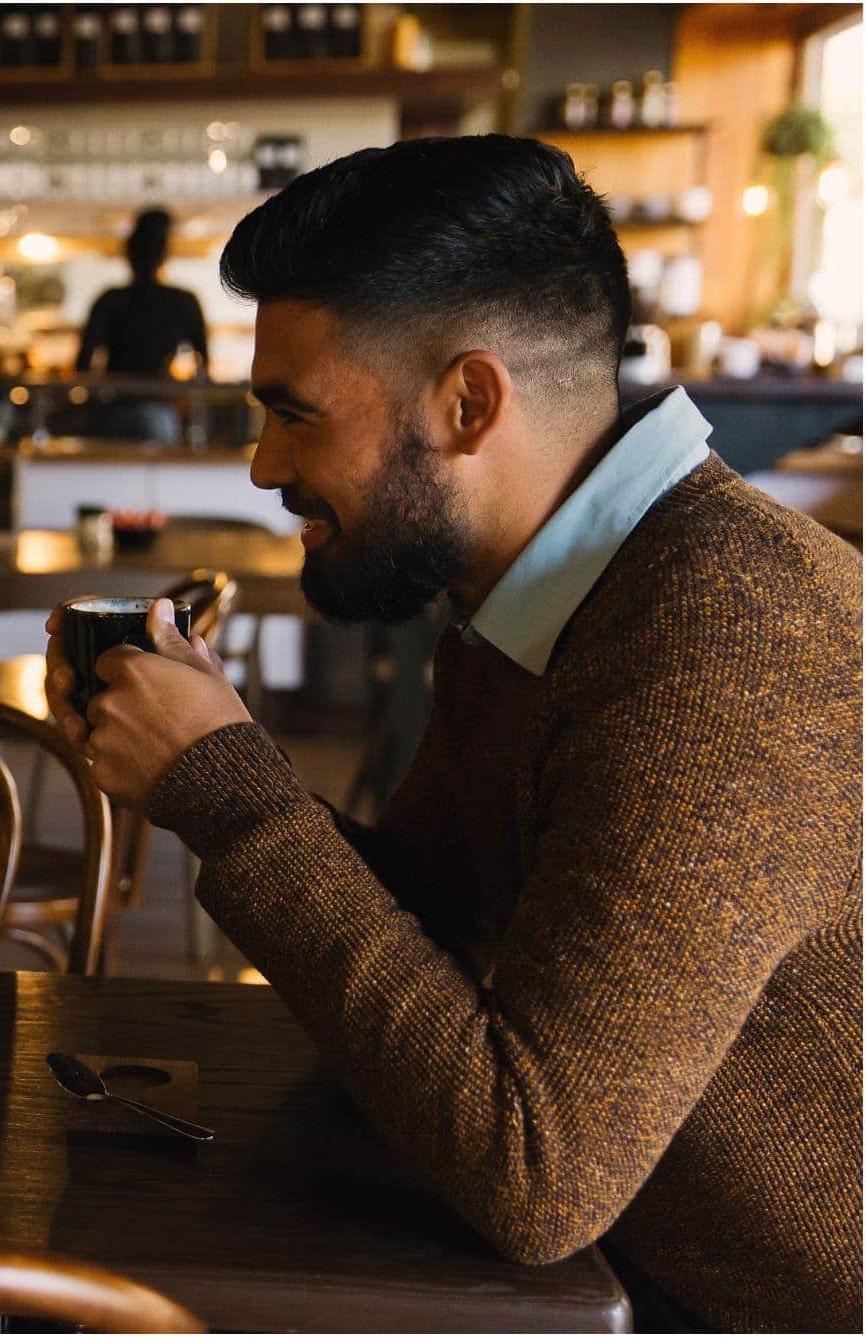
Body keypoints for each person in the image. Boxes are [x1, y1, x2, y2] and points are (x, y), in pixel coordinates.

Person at [45, 137, 860, 1332]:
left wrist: (224, 788)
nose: (262, 463)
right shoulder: (550, 597)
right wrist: (204, 763)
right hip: (630, 1272)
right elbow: (444, 926)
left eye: (292, 414)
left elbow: (537, 1168)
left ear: (467, 402)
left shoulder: (721, 637)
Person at [74, 207, 209, 443]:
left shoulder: (109, 300)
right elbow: (204, 366)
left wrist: (90, 403)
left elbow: (83, 364)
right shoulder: (183, 302)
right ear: (164, 254)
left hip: (112, 410)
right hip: (159, 411)